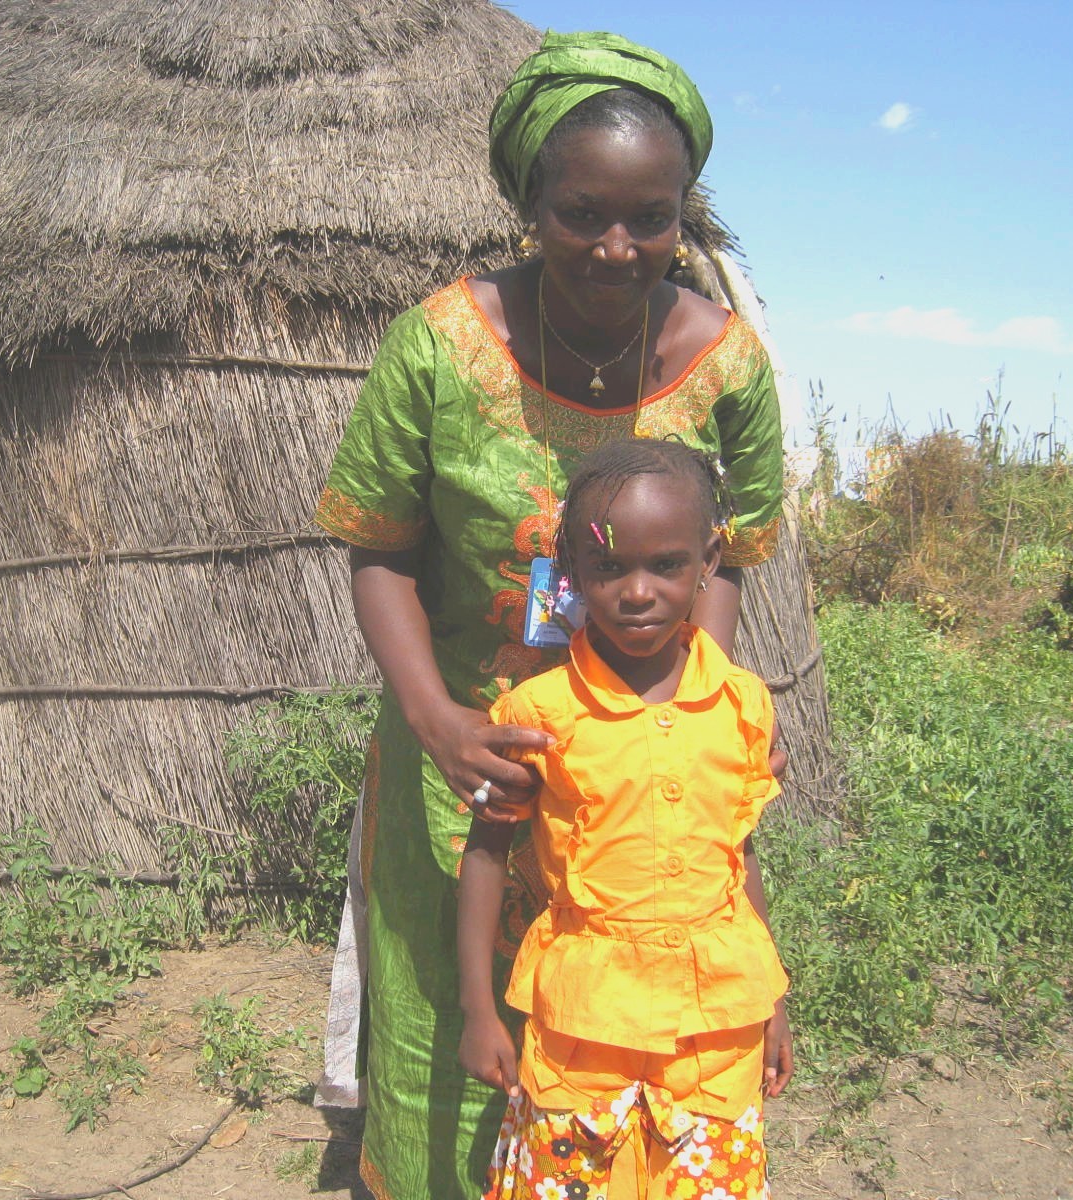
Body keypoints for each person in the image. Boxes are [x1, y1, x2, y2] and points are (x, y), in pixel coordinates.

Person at [312, 30, 786, 1200]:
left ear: (684, 213)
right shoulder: (439, 346)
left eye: (651, 217)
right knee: (443, 1024)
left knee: (641, 1047)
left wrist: (661, 713)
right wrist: (436, 722)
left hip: (638, 786)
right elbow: (377, 550)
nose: (617, 247)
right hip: (466, 760)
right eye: (581, 213)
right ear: (530, 202)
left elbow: (730, 558)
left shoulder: (725, 367)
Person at [457, 438, 792, 1200]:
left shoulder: (744, 707)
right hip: (585, 1033)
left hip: (716, 1036)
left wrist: (771, 1002)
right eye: (609, 567)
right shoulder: (535, 715)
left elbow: (739, 860)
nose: (637, 592)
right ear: (569, 568)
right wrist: (480, 1008)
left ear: (709, 560)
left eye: (667, 565)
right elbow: (485, 856)